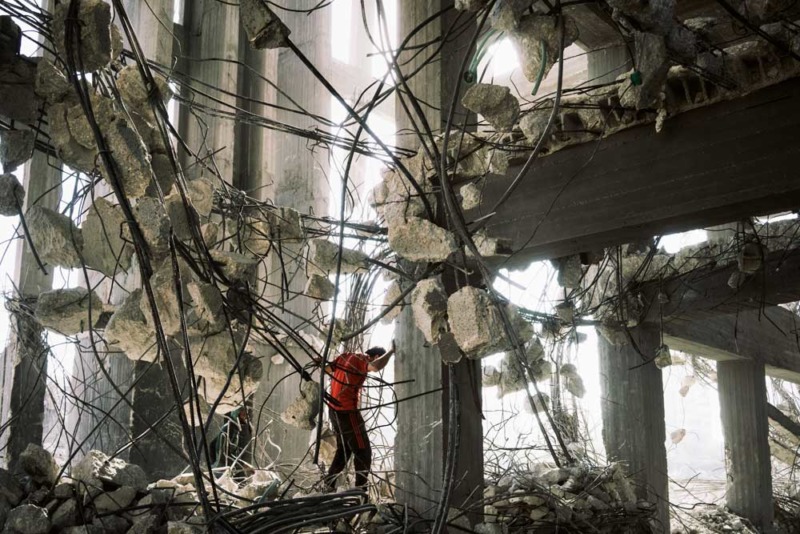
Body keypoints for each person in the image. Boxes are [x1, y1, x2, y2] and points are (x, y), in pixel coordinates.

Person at [320, 342, 395, 492]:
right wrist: (392, 351)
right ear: (375, 356)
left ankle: (328, 485)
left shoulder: (345, 356)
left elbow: (327, 369)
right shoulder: (363, 360)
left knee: (345, 450)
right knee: (363, 451)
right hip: (347, 412)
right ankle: (360, 491)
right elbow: (375, 366)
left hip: (334, 410)